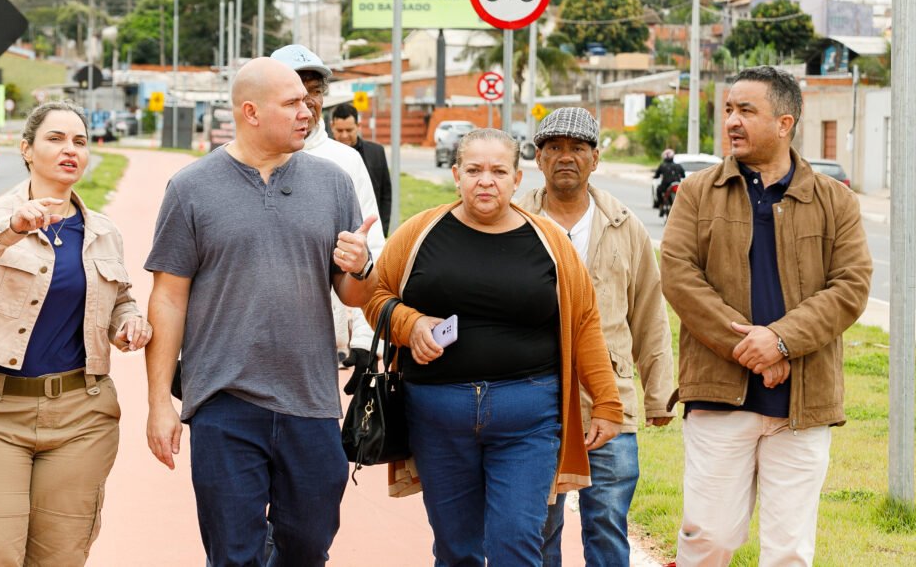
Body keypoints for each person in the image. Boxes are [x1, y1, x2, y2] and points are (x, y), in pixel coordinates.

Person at [144, 57, 379, 567]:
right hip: (224, 400)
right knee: (233, 554)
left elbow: (353, 293)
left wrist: (361, 268)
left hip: (311, 400)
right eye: (292, 102)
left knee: (307, 546)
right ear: (250, 111)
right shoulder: (192, 188)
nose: (308, 111)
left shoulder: (333, 183)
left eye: (307, 100)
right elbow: (168, 297)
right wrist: (159, 401)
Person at [359, 127, 623, 566]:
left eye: (499, 170)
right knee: (456, 549)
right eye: (475, 170)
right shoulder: (418, 233)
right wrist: (411, 324)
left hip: (529, 418)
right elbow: (376, 297)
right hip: (436, 416)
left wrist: (608, 403)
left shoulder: (550, 242)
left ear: (517, 180)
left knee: (517, 545)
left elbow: (585, 322)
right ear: (456, 174)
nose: (487, 180)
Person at [661, 66, 872, 566]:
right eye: (728, 110)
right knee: (708, 539)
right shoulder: (696, 192)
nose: (731, 121)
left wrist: (779, 341)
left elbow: (851, 286)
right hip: (719, 396)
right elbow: (678, 276)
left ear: (785, 122)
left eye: (745, 111)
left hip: (803, 403)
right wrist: (749, 349)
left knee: (789, 551)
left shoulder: (834, 200)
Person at [0, 100, 152, 566]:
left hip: (81, 416)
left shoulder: (102, 232)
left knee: (59, 558)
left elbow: (121, 297)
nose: (70, 149)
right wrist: (9, 229)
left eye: (80, 141)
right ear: (26, 148)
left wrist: (129, 321)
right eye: (56, 139)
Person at [515, 107, 675, 567]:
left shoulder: (626, 226)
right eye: (555, 149)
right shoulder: (513, 220)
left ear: (595, 159)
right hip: (534, 398)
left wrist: (659, 395)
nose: (566, 157)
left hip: (611, 399)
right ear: (539, 159)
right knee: (538, 527)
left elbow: (649, 314)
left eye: (578, 149)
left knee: (607, 523)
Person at [270, 43, 385, 371]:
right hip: (251, 343)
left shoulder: (346, 162)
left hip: (322, 346)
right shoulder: (240, 161)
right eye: (293, 91)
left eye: (314, 92)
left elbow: (370, 249)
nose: (306, 103)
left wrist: (364, 338)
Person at [330, 102, 392, 237]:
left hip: (370, 227)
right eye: (340, 131)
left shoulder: (376, 152)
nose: (345, 135)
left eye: (349, 130)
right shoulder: (324, 155)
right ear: (332, 127)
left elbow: (385, 194)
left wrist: (382, 230)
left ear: (358, 126)